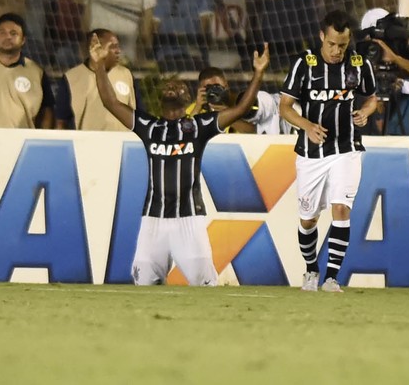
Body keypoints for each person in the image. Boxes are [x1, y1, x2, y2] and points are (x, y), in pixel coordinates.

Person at [89, 34, 269, 286]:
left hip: (189, 221)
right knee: (144, 287)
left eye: (180, 87)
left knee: (205, 287)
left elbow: (240, 109)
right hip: (153, 220)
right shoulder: (148, 126)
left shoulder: (199, 126)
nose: (172, 87)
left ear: (189, 99)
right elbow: (110, 102)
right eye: (169, 86)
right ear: (161, 98)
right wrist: (99, 65)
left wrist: (258, 73)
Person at [279, 10, 377, 293]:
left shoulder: (359, 64)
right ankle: (311, 269)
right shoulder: (304, 63)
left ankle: (332, 277)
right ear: (322, 36)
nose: (336, 51)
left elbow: (371, 99)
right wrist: (307, 126)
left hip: (347, 148)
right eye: (332, 44)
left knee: (341, 208)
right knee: (308, 218)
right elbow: (284, 107)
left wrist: (365, 112)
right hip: (311, 152)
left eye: (342, 45)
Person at [55, 28, 138, 131]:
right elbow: (61, 121)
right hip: (86, 140)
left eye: (118, 46)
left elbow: (138, 115)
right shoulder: (71, 78)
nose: (118, 51)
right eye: (113, 46)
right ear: (95, 48)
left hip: (122, 140)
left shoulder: (126, 75)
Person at [0, 12, 54, 129]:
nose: (8, 37)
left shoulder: (37, 72)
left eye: (13, 33)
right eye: (2, 32)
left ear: (23, 40)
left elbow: (47, 110)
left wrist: (42, 136)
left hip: (22, 139)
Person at [187, 66, 255, 134]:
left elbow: (254, 132)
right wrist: (197, 108)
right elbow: (186, 133)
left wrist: (229, 115)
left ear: (226, 86)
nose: (213, 92)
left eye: (217, 87)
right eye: (208, 88)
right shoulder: (195, 108)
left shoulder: (243, 103)